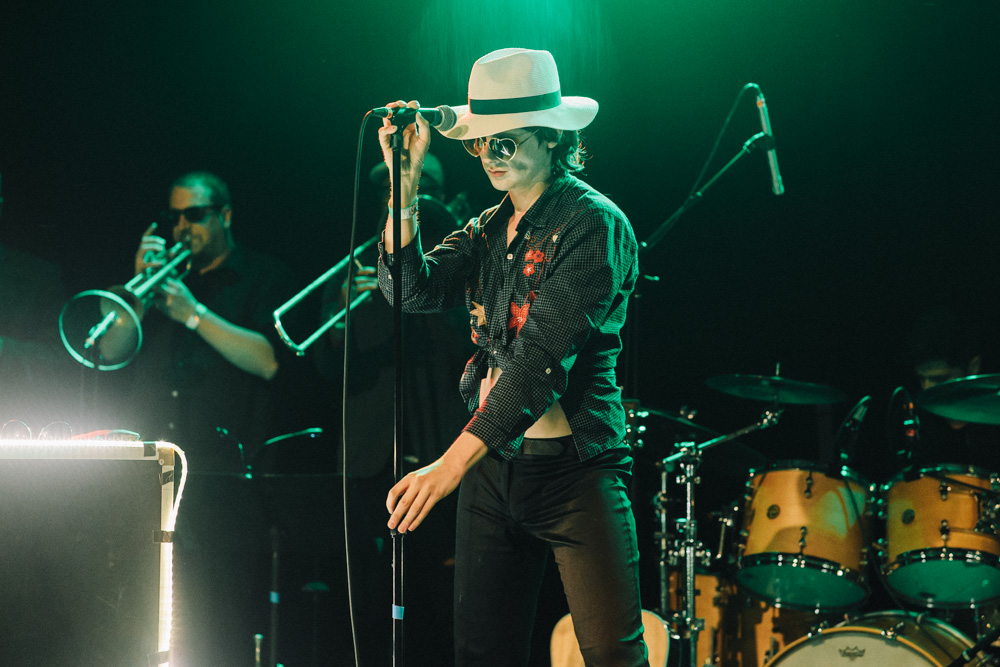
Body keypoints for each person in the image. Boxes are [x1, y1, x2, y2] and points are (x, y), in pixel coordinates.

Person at [376, 48, 648, 666]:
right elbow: (408, 290)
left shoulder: (593, 224)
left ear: (553, 138)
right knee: (481, 653)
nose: (491, 157)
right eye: (480, 145)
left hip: (575, 475)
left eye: (506, 142)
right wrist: (406, 184)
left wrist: (449, 465)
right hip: (494, 474)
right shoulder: (487, 227)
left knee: (613, 655)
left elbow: (539, 364)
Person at [115, 171, 299, 666]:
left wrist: (193, 313)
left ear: (225, 215)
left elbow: (269, 360)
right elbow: (103, 349)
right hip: (151, 480)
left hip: (224, 480)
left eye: (194, 214)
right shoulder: (157, 289)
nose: (181, 226)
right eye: (174, 216)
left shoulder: (263, 277)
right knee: (146, 619)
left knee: (219, 623)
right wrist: (137, 289)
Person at [313, 154, 473, 665]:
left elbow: (468, 353)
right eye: (394, 186)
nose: (406, 191)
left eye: (421, 185)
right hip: (366, 457)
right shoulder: (357, 262)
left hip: (440, 454)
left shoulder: (463, 259)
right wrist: (342, 316)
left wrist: (410, 293)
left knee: (437, 598)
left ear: (444, 197)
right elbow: (321, 366)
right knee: (364, 599)